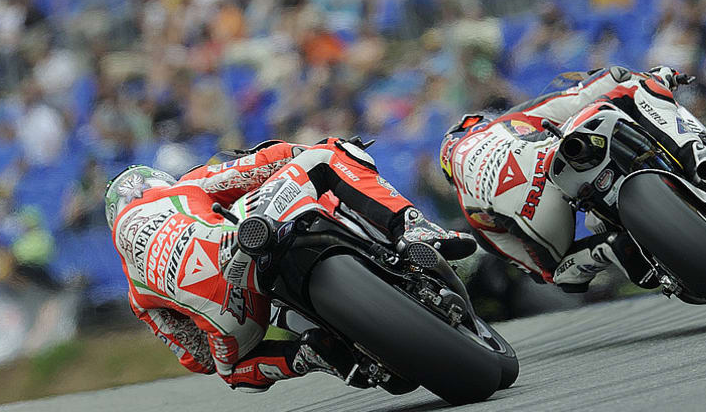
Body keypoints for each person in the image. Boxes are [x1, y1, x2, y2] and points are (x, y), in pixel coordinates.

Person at [106, 138, 474, 392]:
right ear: (156, 181)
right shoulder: (183, 187)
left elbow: (197, 357)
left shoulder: (135, 289)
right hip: (238, 241)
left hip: (230, 317)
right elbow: (267, 162)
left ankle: (305, 357)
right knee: (328, 154)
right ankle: (413, 227)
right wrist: (301, 151)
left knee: (230, 371)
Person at [438, 66, 706, 293]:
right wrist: (659, 76)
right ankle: (702, 160)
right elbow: (597, 86)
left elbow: (539, 271)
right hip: (544, 158)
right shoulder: (506, 122)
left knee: (557, 271)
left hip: (536, 220)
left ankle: (609, 249)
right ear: (478, 123)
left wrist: (561, 267)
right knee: (637, 89)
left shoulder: (469, 204)